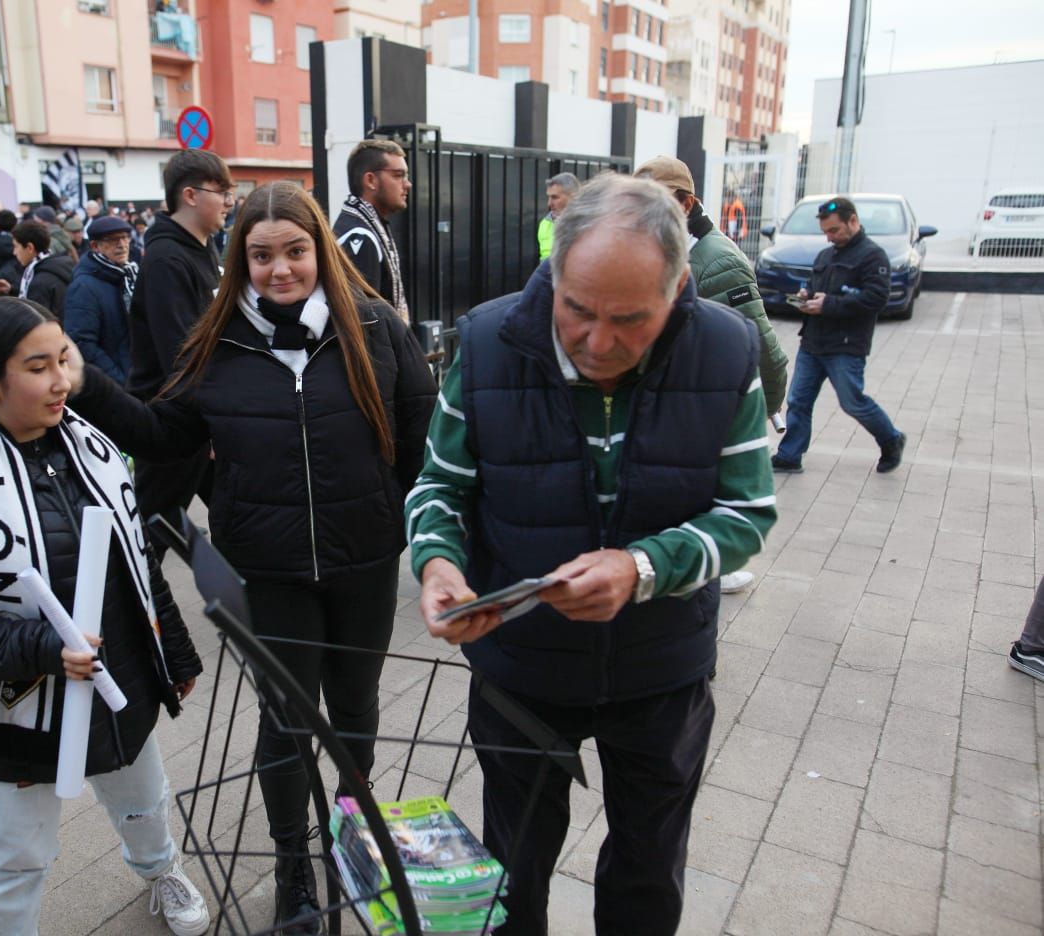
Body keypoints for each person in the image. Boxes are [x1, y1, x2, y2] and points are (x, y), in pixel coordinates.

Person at [407, 174, 776, 935]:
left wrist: (642, 568)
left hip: (660, 671)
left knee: (648, 872)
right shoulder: (487, 344)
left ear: (677, 289)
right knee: (513, 870)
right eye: (576, 309)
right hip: (521, 670)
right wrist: (439, 563)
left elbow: (746, 513)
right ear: (555, 273)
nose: (598, 342)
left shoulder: (724, 348)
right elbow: (439, 486)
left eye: (630, 320)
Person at [72, 182, 436, 933]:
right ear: (240, 260)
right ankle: (292, 865)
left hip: (364, 561)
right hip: (268, 571)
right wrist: (86, 385)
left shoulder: (374, 326)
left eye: (295, 251)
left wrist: (396, 520)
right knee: (286, 721)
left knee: (356, 710)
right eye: (262, 255)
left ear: (320, 250)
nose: (280, 269)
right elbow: (163, 434)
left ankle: (349, 842)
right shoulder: (217, 343)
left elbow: (421, 432)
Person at [0, 297, 211, 936]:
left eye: (64, 359)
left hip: (118, 682)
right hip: (18, 711)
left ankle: (161, 872)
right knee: (19, 853)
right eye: (37, 367)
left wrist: (173, 652)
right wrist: (43, 648)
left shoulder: (90, 449)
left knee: (145, 804)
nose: (62, 381)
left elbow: (136, 564)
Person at [635, 155, 789, 594]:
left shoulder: (718, 261)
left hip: (703, 404)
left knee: (703, 492)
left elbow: (763, 350)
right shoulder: (668, 249)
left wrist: (763, 408)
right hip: (670, 399)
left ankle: (709, 570)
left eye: (654, 203)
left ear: (687, 203)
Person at [126, 148, 235, 549]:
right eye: (221, 192)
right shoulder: (166, 260)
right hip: (169, 421)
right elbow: (180, 352)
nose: (229, 202)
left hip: (198, 415)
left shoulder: (202, 248)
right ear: (190, 195)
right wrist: (213, 423)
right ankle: (127, 588)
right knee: (149, 532)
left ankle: (241, 582)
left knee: (236, 515)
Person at [771, 197, 906, 474]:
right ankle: (790, 455)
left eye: (834, 230)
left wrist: (828, 304)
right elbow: (815, 286)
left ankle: (891, 439)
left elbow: (876, 298)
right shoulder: (826, 255)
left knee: (852, 402)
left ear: (853, 221)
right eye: (825, 232)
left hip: (845, 345)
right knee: (798, 401)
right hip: (813, 342)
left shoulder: (873, 256)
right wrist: (805, 296)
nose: (829, 237)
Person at [332, 139, 411, 321]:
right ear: (370, 180)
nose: (407, 184)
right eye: (398, 175)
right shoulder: (359, 236)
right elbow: (366, 324)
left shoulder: (365, 224)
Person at [63, 216, 136, 383]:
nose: (122, 244)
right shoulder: (84, 287)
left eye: (125, 237)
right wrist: (119, 381)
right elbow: (82, 343)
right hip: (118, 383)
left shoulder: (129, 274)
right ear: (95, 246)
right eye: (113, 240)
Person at [1, 221, 74, 317]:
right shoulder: (57, 265)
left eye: (16, 246)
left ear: (30, 248)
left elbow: (36, 321)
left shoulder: (39, 282)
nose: (14, 252)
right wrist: (12, 289)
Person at [537, 172, 578, 262]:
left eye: (555, 197)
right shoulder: (545, 224)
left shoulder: (589, 224)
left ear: (574, 197)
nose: (549, 204)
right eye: (549, 197)